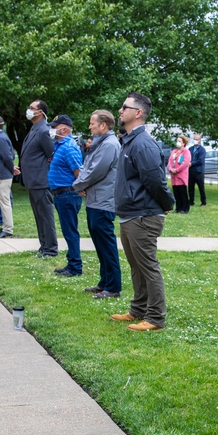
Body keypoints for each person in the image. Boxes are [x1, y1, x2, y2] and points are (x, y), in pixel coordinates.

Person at [109, 93, 176, 330]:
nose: (119, 111)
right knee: (136, 266)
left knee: (148, 266)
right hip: (131, 214)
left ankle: (156, 317)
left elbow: (155, 181)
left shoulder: (142, 143)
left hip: (143, 215)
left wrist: (167, 203)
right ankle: (138, 309)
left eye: (124, 107)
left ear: (138, 113)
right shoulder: (130, 141)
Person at [74, 109, 123, 299]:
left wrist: (78, 184)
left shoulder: (109, 144)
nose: (89, 126)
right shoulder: (100, 143)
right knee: (100, 244)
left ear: (103, 125)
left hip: (103, 202)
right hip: (96, 200)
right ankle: (104, 282)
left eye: (92, 123)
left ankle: (112, 287)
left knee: (106, 245)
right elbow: (87, 167)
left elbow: (96, 171)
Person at [17, 99, 59, 258]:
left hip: (41, 180)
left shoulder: (43, 130)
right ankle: (44, 246)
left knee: (46, 215)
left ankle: (51, 249)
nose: (28, 110)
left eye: (31, 108)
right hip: (33, 181)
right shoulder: (35, 129)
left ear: (40, 112)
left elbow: (52, 155)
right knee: (38, 215)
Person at [48, 115, 84, 277]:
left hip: (67, 194)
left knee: (70, 231)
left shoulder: (69, 147)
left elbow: (79, 173)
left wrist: (80, 189)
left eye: (54, 127)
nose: (51, 130)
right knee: (68, 230)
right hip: (61, 193)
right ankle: (72, 262)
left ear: (63, 129)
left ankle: (75, 266)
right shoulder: (60, 145)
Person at [168, 134, 191, 213]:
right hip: (174, 177)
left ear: (183, 143)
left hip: (181, 176)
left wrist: (177, 170)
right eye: (177, 141)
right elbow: (169, 162)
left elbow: (185, 163)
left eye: (179, 141)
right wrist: (171, 169)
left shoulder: (186, 152)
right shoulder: (174, 151)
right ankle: (178, 208)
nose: (178, 142)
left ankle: (185, 208)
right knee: (176, 193)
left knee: (183, 193)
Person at [188, 133, 207, 207]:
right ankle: (191, 201)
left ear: (199, 140)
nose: (195, 140)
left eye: (197, 139)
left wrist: (192, 163)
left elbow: (200, 160)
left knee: (201, 187)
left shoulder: (202, 150)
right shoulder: (190, 149)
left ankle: (203, 202)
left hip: (199, 171)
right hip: (191, 171)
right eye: (194, 139)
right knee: (190, 187)